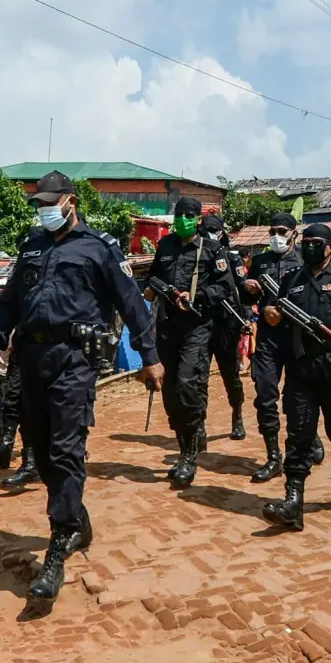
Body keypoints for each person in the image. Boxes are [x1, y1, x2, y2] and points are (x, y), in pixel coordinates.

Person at [0, 171, 164, 605]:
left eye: (49, 202)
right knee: (40, 453)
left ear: (71, 201)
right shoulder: (31, 246)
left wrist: (149, 356)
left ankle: (59, 544)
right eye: (39, 203)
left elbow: (132, 303)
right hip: (32, 359)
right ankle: (76, 516)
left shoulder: (99, 248)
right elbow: (8, 304)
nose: (43, 210)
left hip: (75, 360)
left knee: (65, 449)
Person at [260, 224, 331, 530]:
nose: (310, 247)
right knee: (298, 437)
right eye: (306, 242)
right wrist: (271, 315)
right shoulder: (291, 279)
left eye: (316, 243)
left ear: (328, 247)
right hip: (301, 369)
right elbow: (277, 314)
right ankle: (293, 502)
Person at [145, 197, 233, 488]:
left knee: (186, 384)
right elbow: (154, 276)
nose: (182, 219)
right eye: (178, 214)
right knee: (169, 390)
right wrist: (156, 290)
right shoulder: (166, 246)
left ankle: (190, 453)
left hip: (196, 327)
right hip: (167, 327)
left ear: (197, 219)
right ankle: (183, 446)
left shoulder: (211, 249)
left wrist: (196, 298)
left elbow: (224, 286)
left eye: (188, 215)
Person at [241, 213, 326, 483]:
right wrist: (248, 288)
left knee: (296, 398)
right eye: (272, 231)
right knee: (265, 395)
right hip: (267, 340)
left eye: (281, 230)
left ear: (293, 233)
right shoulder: (261, 262)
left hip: (297, 340)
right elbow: (246, 297)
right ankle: (273, 457)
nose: (276, 236)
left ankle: (310, 437)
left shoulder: (304, 260)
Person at [200, 214, 252, 440]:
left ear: (222, 232)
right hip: (201, 323)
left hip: (227, 324)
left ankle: (237, 415)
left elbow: (245, 290)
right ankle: (198, 426)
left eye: (214, 229)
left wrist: (247, 317)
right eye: (206, 229)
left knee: (230, 375)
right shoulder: (197, 256)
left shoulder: (232, 259)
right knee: (198, 377)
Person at [0, 345, 41, 489]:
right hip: (15, 366)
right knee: (13, 404)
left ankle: (68, 453)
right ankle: (16, 456)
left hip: (40, 360)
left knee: (26, 407)